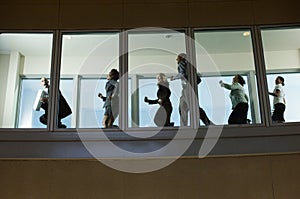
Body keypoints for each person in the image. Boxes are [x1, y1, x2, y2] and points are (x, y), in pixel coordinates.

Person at [170, 53, 213, 126]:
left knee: (192, 107)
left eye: (178, 58)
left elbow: (182, 74)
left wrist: (173, 78)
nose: (176, 59)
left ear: (181, 58)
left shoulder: (181, 64)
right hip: (187, 89)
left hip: (187, 89)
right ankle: (184, 126)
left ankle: (206, 123)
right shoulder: (190, 67)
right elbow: (198, 80)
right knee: (183, 106)